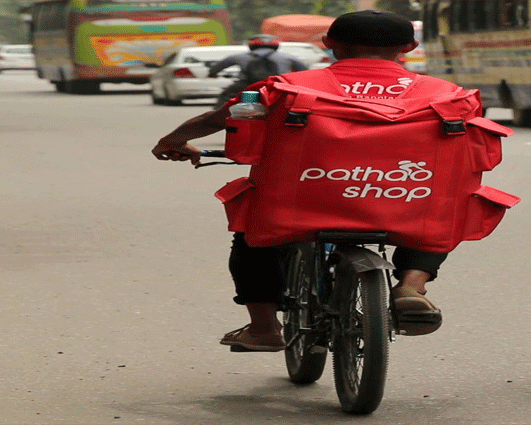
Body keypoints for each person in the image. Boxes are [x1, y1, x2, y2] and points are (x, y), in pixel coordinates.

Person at [151, 10, 463, 352]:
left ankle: (264, 328)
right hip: (399, 197)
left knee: (253, 231)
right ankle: (411, 285)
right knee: (442, 207)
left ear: (329, 44)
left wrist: (174, 140)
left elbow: (224, 116)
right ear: (409, 46)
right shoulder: (446, 93)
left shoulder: (289, 87)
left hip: (302, 201)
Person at [208, 34, 308, 108]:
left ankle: (216, 118)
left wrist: (212, 74)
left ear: (251, 45)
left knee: (225, 96)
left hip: (246, 86)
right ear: (276, 46)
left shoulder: (239, 56)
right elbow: (304, 70)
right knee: (295, 101)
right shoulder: (287, 57)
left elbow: (216, 68)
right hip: (277, 87)